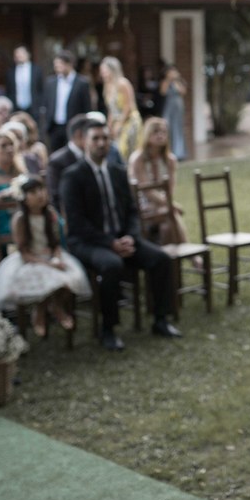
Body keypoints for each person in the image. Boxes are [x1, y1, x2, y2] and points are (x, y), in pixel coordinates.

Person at [59, 119, 181, 350]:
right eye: (96, 138)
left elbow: (132, 212)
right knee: (112, 265)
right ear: (85, 141)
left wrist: (131, 237)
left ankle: (160, 319)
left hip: (122, 238)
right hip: (88, 242)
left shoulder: (118, 171)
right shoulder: (72, 176)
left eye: (105, 138)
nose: (101, 143)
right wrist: (110, 243)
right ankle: (108, 329)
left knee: (161, 259)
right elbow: (77, 224)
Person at [0, 174, 88, 335]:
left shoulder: (50, 214)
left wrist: (56, 258)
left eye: (41, 190)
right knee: (43, 280)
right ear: (24, 198)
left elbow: (55, 243)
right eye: (33, 192)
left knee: (70, 279)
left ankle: (56, 306)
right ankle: (40, 311)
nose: (40, 195)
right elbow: (24, 252)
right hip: (31, 260)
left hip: (50, 256)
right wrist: (47, 263)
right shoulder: (20, 220)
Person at [128, 116, 189, 245]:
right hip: (142, 207)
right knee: (171, 214)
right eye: (155, 132)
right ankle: (190, 253)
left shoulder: (170, 160)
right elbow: (147, 192)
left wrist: (168, 204)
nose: (160, 135)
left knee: (167, 227)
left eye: (163, 132)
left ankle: (171, 261)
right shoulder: (138, 160)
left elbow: (170, 190)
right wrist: (171, 205)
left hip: (163, 206)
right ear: (147, 135)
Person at [44, 50, 93, 152]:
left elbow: (87, 108)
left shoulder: (82, 83)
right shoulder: (51, 82)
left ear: (69, 64)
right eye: (55, 64)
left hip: (74, 127)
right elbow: (47, 104)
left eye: (60, 64)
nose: (57, 67)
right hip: (55, 127)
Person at [47, 113, 93, 211]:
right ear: (79, 135)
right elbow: (55, 196)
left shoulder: (94, 156)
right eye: (93, 137)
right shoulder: (57, 162)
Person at [99, 56, 142, 161]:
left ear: (113, 70)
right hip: (117, 121)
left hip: (129, 121)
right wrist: (109, 127)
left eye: (105, 71)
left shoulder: (122, 83)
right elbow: (111, 110)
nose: (103, 74)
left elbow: (128, 106)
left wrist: (120, 124)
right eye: (102, 71)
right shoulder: (107, 86)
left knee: (124, 150)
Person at [160, 64, 188, 160]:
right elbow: (163, 92)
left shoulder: (178, 82)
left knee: (178, 130)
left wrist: (176, 80)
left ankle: (179, 153)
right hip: (168, 109)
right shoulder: (165, 82)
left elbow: (182, 92)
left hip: (178, 109)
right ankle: (167, 152)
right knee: (167, 129)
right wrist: (169, 80)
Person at [7, 45, 44, 118]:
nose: (18, 56)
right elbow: (9, 91)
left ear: (28, 54)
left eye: (21, 53)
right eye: (16, 54)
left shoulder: (37, 70)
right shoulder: (10, 72)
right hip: (16, 109)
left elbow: (41, 89)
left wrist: (40, 106)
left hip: (33, 109)